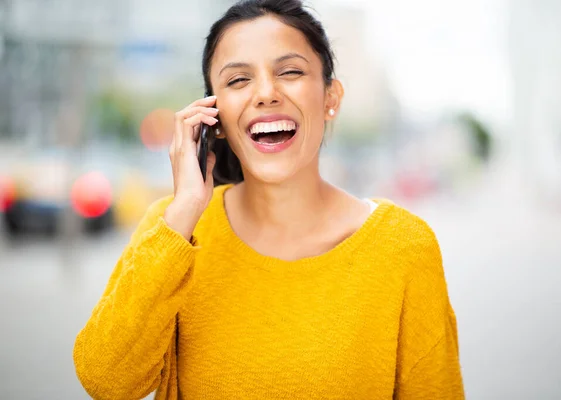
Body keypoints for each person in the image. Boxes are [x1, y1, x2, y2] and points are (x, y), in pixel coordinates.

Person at [73, 0, 464, 398]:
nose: (265, 93)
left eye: (290, 71)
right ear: (214, 116)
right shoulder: (173, 229)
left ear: (331, 97)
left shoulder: (403, 248)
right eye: (238, 80)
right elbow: (107, 382)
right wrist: (185, 210)